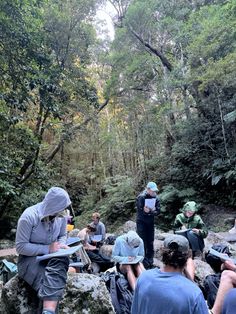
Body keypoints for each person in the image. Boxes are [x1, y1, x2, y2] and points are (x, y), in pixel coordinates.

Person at [15, 187, 72, 314]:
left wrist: (61, 246)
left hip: (54, 257)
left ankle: (48, 311)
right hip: (29, 260)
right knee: (50, 284)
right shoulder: (28, 216)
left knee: (61, 261)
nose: (62, 212)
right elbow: (20, 247)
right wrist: (47, 249)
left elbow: (63, 235)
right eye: (60, 208)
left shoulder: (61, 216)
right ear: (53, 206)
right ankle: (49, 310)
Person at [131, 234, 208, 314]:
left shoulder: (144, 277)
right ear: (187, 258)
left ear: (163, 253)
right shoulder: (194, 293)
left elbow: (135, 310)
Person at [136, 181, 160, 268]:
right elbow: (139, 209)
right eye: (153, 191)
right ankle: (143, 260)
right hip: (141, 222)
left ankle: (150, 260)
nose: (154, 192)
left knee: (150, 241)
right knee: (143, 241)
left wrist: (150, 211)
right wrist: (144, 210)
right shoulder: (141, 197)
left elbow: (158, 211)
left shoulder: (156, 198)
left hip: (150, 222)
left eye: (155, 191)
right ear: (148, 189)